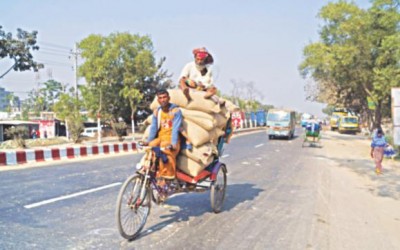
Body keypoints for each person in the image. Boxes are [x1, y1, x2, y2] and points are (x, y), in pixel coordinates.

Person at [141, 89, 182, 186]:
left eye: (164, 97)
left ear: (168, 98)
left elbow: (176, 129)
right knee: (151, 146)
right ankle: (148, 168)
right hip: (161, 137)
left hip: (172, 139)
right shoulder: (157, 112)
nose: (163, 100)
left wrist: (173, 143)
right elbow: (154, 128)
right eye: (160, 98)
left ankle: (167, 176)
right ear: (158, 100)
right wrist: (148, 141)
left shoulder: (175, 111)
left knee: (165, 148)